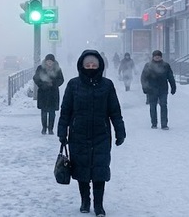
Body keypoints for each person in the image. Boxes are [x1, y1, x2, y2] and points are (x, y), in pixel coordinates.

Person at [58, 50, 126, 217]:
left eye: (94, 65)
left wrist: (120, 131)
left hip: (101, 135)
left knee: (99, 170)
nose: (90, 67)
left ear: (100, 66)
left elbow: (115, 111)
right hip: (78, 134)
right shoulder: (73, 85)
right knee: (81, 170)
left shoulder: (107, 85)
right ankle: (85, 201)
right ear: (81, 66)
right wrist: (62, 132)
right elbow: (65, 110)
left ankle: (99, 205)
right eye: (87, 65)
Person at [140, 50, 176, 129]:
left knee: (163, 105)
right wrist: (145, 87)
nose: (157, 57)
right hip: (151, 89)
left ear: (161, 57)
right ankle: (154, 123)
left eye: (159, 56)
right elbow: (143, 78)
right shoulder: (148, 66)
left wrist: (173, 86)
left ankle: (164, 124)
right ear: (153, 57)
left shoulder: (166, 66)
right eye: (155, 56)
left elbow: (170, 77)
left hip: (163, 89)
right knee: (153, 106)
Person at [33, 53, 64, 135]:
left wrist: (53, 84)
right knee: (44, 111)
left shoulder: (57, 69)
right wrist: (42, 85)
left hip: (53, 93)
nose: (49, 63)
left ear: (53, 62)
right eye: (48, 61)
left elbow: (61, 79)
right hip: (43, 93)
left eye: (51, 61)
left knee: (52, 112)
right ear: (46, 61)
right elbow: (35, 78)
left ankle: (50, 129)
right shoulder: (40, 68)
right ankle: (44, 128)